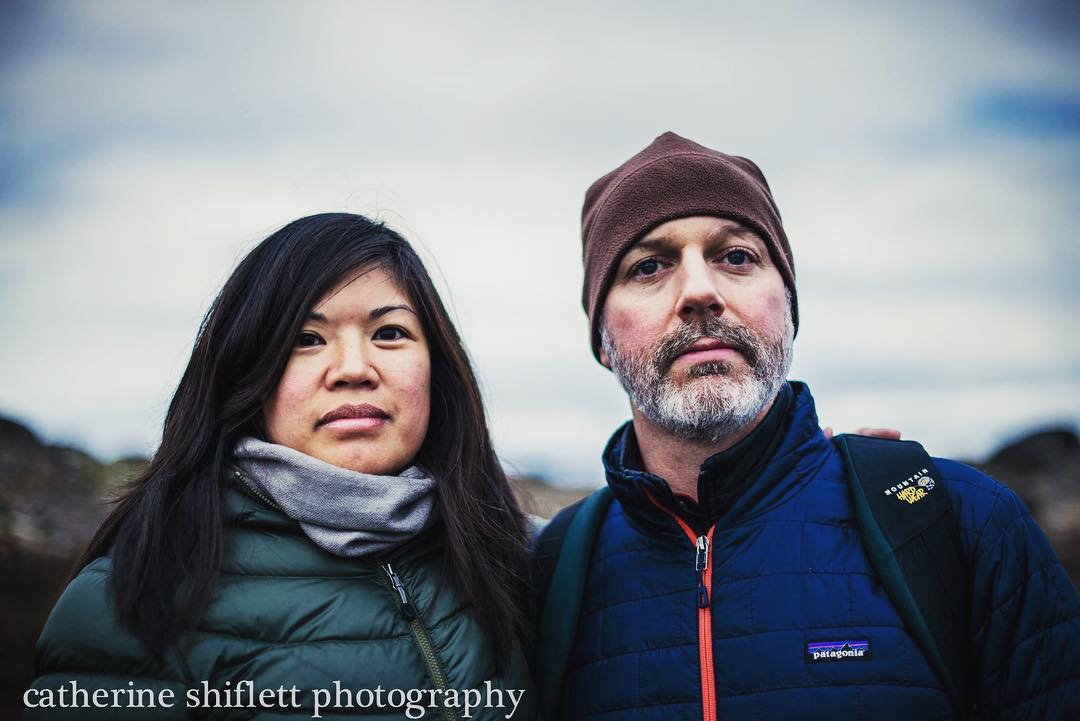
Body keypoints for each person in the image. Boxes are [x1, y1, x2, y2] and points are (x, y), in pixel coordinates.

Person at [534, 133, 1080, 720]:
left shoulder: (962, 522)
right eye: (648, 266)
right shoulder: (551, 573)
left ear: (789, 310)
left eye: (737, 256)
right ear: (604, 341)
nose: (698, 292)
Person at [27, 213, 536, 720]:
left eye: (390, 332)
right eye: (307, 339)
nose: (355, 368)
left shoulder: (518, 559)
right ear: (249, 369)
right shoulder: (132, 594)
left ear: (437, 369)